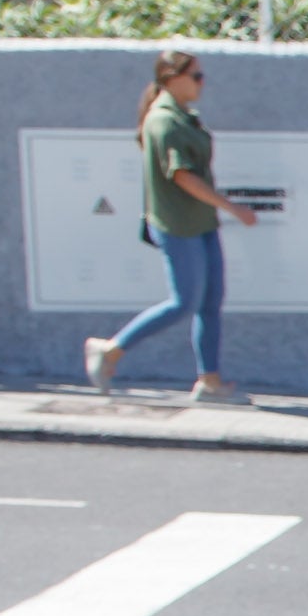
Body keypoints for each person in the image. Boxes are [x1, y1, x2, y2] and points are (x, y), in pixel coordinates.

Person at [82, 48, 256, 404]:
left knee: (210, 303)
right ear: (172, 78)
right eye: (196, 76)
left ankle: (209, 382)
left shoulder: (183, 116)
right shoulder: (164, 121)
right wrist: (231, 207)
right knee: (184, 303)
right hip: (178, 225)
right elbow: (181, 175)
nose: (202, 83)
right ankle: (111, 350)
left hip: (200, 222)